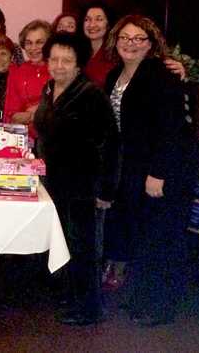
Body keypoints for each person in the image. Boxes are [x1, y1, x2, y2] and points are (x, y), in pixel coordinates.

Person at [104, 15, 195, 326]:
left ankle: (159, 308)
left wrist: (158, 172)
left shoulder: (161, 75)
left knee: (160, 240)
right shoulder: (115, 75)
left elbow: (173, 129)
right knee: (141, 238)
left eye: (139, 38)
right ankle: (141, 300)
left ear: (151, 43)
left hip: (161, 171)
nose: (131, 44)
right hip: (132, 169)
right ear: (115, 41)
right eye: (125, 38)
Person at [34, 32, 119, 326]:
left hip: (83, 184)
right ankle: (71, 295)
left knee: (85, 247)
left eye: (67, 60)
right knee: (66, 242)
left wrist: (106, 189)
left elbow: (110, 143)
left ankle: (89, 309)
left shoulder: (90, 94)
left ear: (78, 64)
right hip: (54, 181)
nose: (59, 65)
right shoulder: (49, 89)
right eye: (54, 59)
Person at [3, 19, 52, 138]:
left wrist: (29, 114)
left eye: (39, 42)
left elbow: (58, 109)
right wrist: (38, 112)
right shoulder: (18, 72)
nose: (33, 48)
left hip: (53, 137)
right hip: (25, 139)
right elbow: (11, 114)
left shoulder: (57, 69)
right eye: (29, 43)